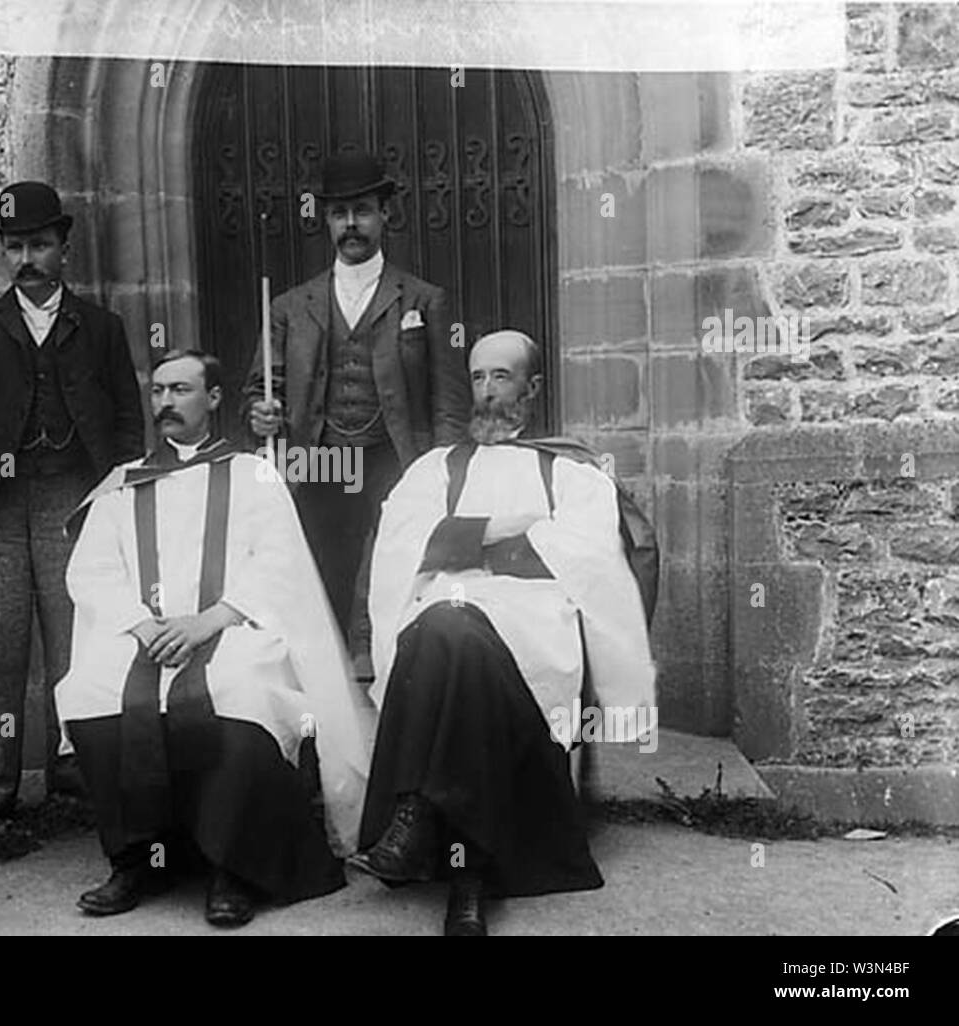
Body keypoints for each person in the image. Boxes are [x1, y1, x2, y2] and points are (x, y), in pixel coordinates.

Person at [350, 330, 657, 936]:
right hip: (446, 610)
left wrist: (467, 540)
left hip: (536, 619)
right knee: (447, 627)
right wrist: (509, 532)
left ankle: (416, 818)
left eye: (503, 377)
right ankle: (469, 882)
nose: (488, 392)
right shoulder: (435, 467)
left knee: (448, 633)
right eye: (480, 378)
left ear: (532, 388)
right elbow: (405, 545)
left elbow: (588, 558)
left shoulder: (572, 472)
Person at [56, 350, 373, 928]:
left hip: (233, 627)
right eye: (158, 392)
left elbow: (279, 565)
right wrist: (145, 625)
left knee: (244, 690)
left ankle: (236, 867)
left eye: (180, 390)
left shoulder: (254, 473)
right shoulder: (125, 483)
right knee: (88, 690)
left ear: (216, 398)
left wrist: (208, 621)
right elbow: (93, 571)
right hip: (146, 636)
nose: (166, 403)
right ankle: (135, 859)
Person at [0, 181, 145, 836]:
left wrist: (120, 493)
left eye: (40, 244)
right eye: (15, 247)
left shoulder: (101, 327)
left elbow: (128, 420)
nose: (27, 259)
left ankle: (80, 767)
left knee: (80, 642)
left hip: (76, 497)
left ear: (63, 247)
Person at [242, 151, 470, 650]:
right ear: (325, 220)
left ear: (385, 214)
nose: (351, 224)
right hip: (324, 458)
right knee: (323, 581)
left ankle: (400, 693)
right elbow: (260, 391)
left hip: (397, 456)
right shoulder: (288, 307)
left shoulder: (424, 300)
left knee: (406, 578)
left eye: (362, 210)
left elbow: (451, 399)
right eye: (339, 213)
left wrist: (445, 471)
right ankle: (327, 706)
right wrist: (264, 413)